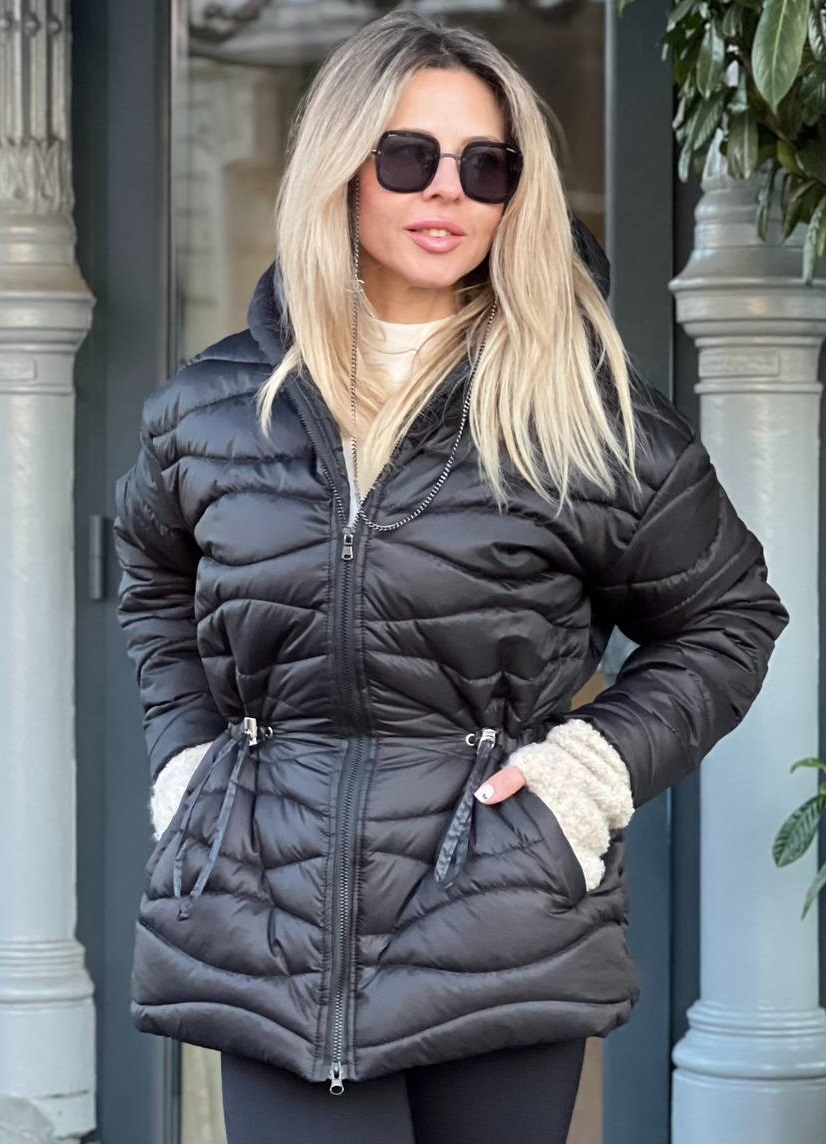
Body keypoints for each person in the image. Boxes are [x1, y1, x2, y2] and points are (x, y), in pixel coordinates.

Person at [113, 10, 788, 1143]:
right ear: (343, 168)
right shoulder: (212, 409)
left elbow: (727, 617)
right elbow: (153, 583)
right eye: (409, 155)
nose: (448, 191)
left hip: (497, 922)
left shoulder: (582, 414)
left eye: (487, 166)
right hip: (267, 926)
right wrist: (190, 764)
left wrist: (587, 772)